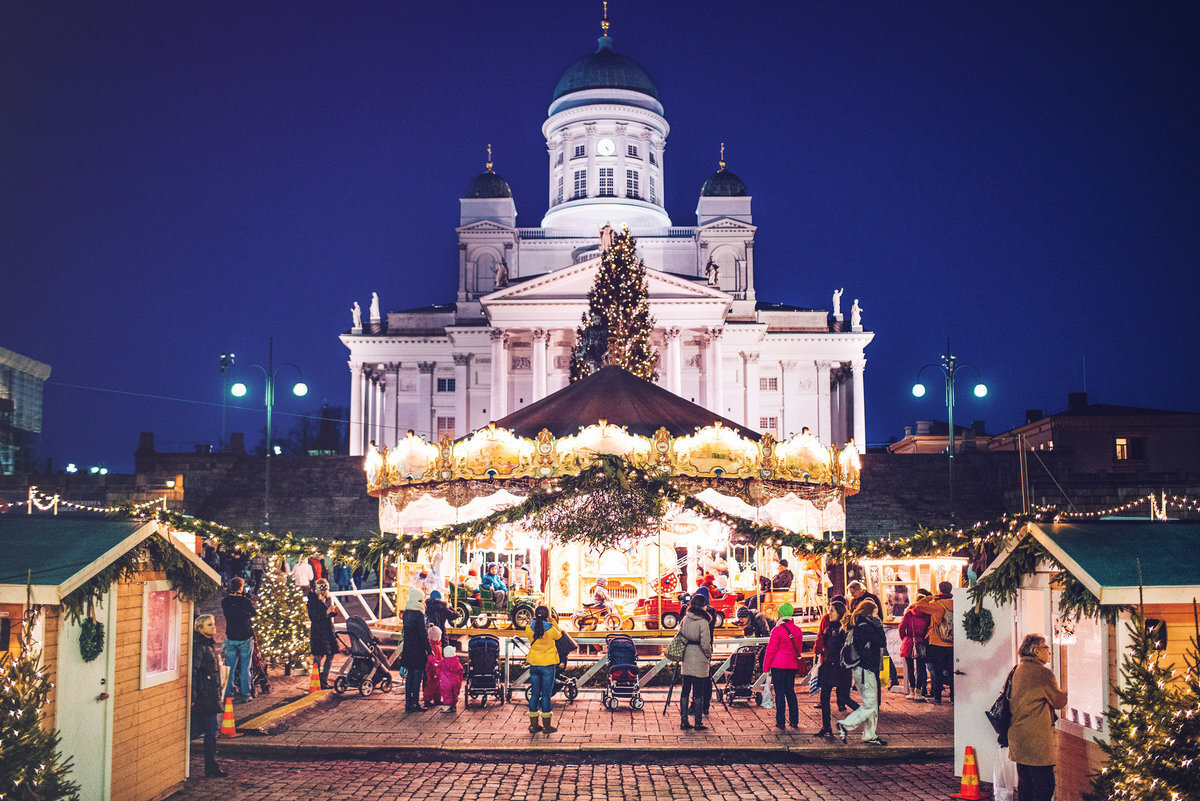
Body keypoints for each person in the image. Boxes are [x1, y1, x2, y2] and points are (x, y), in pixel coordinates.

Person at [1009, 634, 1068, 801]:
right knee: (1044, 786)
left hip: (1018, 738)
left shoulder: (1016, 670)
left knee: (1025, 785)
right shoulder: (1043, 673)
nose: (1049, 652)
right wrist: (1065, 692)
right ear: (1036, 650)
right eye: (1046, 648)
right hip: (1036, 741)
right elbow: (1058, 701)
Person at [836, 599, 888, 746]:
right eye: (875, 613)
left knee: (871, 704)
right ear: (868, 613)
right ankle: (846, 725)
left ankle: (870, 735)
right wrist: (879, 628)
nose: (877, 616)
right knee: (870, 705)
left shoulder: (860, 626)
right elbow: (881, 642)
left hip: (864, 670)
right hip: (866, 670)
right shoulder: (866, 628)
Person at [814, 598, 859, 735]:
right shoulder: (830, 628)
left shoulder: (844, 630)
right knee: (824, 697)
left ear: (839, 612)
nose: (829, 613)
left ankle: (865, 714)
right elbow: (826, 645)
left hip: (841, 668)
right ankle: (826, 726)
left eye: (832, 611)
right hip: (829, 666)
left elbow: (847, 650)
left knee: (845, 697)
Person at [191, 614, 227, 777]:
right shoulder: (200, 647)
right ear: (200, 628)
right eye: (209, 625)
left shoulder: (207, 645)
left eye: (213, 624)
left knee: (200, 730)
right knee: (211, 732)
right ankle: (211, 768)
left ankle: (211, 767)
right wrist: (194, 695)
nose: (214, 627)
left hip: (209, 695)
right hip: (206, 698)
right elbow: (194, 670)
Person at [762, 607, 806, 730]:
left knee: (780, 694)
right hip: (792, 666)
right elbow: (799, 648)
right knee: (790, 692)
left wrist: (766, 667)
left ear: (780, 614)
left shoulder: (777, 630)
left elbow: (770, 650)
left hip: (778, 666)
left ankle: (780, 722)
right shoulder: (797, 630)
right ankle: (794, 720)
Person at [914, 581, 955, 704]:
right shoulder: (955, 603)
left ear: (940, 590)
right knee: (952, 671)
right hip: (952, 643)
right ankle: (953, 697)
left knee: (937, 671)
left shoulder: (938, 605)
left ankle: (937, 697)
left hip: (938, 642)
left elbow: (918, 605)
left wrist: (932, 597)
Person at [523, 605, 562, 734]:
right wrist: (553, 621)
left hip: (534, 664)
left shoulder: (529, 628)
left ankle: (533, 726)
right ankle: (546, 726)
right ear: (547, 616)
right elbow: (559, 635)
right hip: (548, 665)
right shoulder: (551, 629)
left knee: (534, 694)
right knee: (545, 695)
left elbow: (530, 633)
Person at [677, 594, 714, 731]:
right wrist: (709, 655)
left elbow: (680, 636)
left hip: (687, 656)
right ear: (703, 606)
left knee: (685, 689)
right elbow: (705, 644)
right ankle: (698, 722)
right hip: (699, 657)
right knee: (698, 691)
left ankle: (684, 721)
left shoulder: (685, 619)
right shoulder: (703, 622)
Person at [221, 577, 256, 702]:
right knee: (245, 668)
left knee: (230, 668)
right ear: (241, 587)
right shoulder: (245, 601)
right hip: (245, 637)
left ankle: (228, 694)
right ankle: (245, 694)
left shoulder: (226, 601)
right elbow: (254, 613)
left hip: (231, 637)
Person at [399, 589, 432, 712]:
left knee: (409, 677)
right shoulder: (419, 614)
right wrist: (429, 650)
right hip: (417, 649)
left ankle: (408, 703)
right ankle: (415, 703)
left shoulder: (407, 613)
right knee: (417, 677)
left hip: (408, 648)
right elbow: (422, 634)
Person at [898, 588, 932, 701]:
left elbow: (901, 628)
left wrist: (905, 639)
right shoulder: (928, 614)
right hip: (922, 642)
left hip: (909, 642)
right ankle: (919, 692)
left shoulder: (909, 613)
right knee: (921, 668)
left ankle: (911, 691)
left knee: (910, 668)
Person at [306, 579, 338, 689]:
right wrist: (326, 612)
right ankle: (317, 680)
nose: (325, 593)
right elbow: (313, 617)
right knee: (318, 655)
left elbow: (328, 614)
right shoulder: (312, 600)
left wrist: (333, 612)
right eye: (324, 591)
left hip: (328, 630)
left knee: (330, 654)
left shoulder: (327, 598)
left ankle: (324, 679)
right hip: (318, 631)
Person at [438, 645, 464, 713]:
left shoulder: (443, 662)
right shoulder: (457, 662)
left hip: (446, 682)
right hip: (456, 681)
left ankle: (447, 706)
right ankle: (453, 705)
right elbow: (461, 671)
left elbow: (437, 665)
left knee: (447, 694)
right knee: (454, 693)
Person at [423, 625, 444, 707]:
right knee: (433, 684)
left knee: (433, 684)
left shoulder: (432, 646)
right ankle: (429, 699)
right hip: (434, 669)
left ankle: (434, 698)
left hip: (433, 668)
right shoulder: (437, 647)